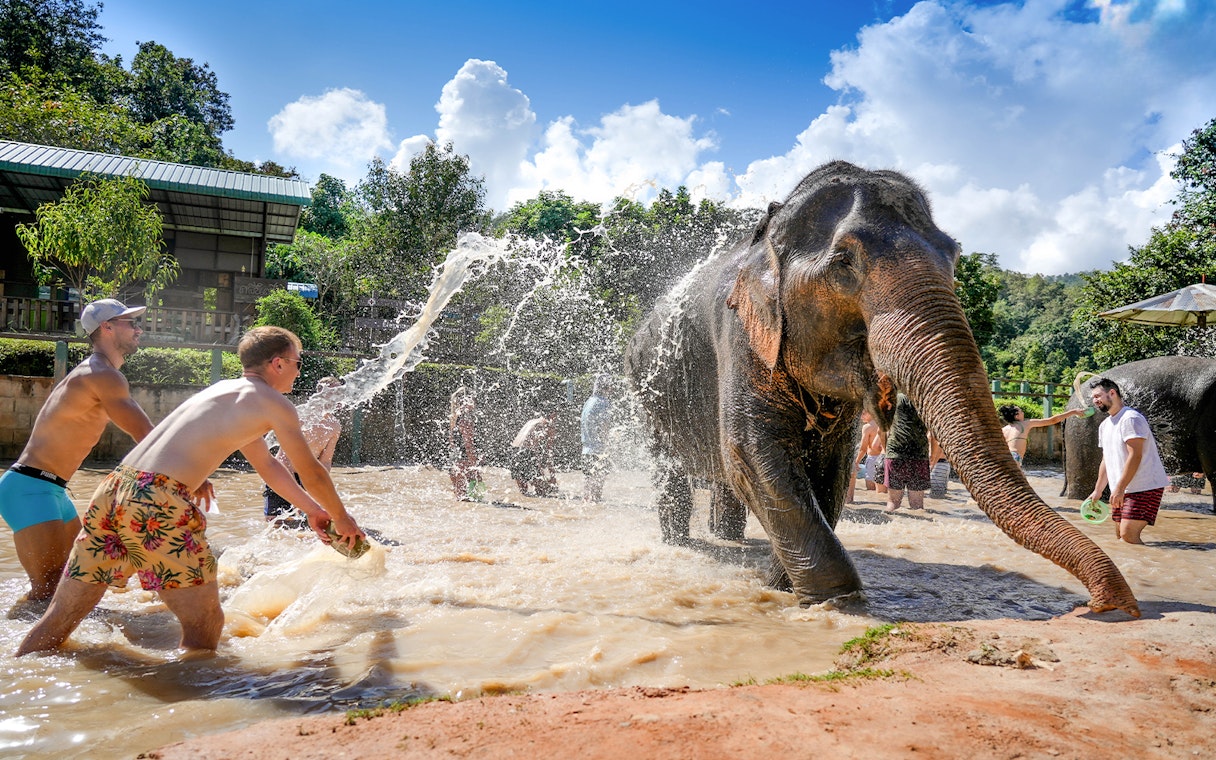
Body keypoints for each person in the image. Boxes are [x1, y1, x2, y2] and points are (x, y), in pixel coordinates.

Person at [16, 326, 366, 655]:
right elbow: (312, 471)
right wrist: (341, 517)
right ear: (277, 364)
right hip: (158, 499)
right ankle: (192, 707)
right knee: (206, 623)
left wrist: (311, 510)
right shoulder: (275, 404)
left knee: (59, 617)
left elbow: (269, 466)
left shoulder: (222, 392)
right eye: (297, 362)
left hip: (114, 489)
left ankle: (19, 676)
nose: (299, 371)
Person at [0, 298, 155, 601]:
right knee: (47, 591)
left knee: (81, 582)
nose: (138, 329)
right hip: (30, 487)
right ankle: (18, 647)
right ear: (106, 327)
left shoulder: (102, 373)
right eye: (130, 323)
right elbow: (145, 434)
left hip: (54, 490)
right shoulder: (101, 374)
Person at [1088, 378, 1169, 545]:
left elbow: (1135, 455)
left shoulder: (1131, 418)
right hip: (1123, 488)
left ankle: (1150, 569)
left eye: (1098, 396)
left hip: (1145, 485)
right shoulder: (1104, 425)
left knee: (1128, 535)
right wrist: (1098, 490)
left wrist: (1119, 488)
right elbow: (1106, 460)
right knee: (1119, 534)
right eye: (1093, 398)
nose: (1095, 401)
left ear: (1112, 393)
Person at [264, 376, 345, 526]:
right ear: (322, 393)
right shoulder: (301, 417)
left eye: (340, 392)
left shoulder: (334, 426)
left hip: (308, 477)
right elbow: (284, 458)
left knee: (308, 526)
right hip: (282, 474)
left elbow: (325, 461)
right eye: (336, 392)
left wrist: (319, 486)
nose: (339, 396)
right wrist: (298, 494)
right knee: (276, 525)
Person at [884, 393, 930, 513]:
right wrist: (933, 456)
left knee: (893, 503)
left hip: (895, 453)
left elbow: (881, 429)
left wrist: (887, 451)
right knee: (917, 506)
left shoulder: (894, 398)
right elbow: (934, 432)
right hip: (919, 455)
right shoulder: (925, 401)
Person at [1000, 404, 1084, 466]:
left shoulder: (1004, 429)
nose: (1023, 413)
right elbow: (1052, 420)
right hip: (1015, 457)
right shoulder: (1026, 423)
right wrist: (1073, 412)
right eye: (1021, 411)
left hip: (1004, 456)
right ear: (1017, 416)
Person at [508, 410, 559, 497]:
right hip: (526, 453)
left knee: (524, 493)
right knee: (543, 492)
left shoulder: (531, 421)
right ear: (553, 415)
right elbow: (548, 452)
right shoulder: (547, 424)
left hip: (512, 451)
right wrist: (552, 477)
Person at [580, 375, 615, 503]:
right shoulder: (603, 403)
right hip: (598, 451)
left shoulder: (588, 401)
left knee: (588, 486)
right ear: (607, 387)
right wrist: (608, 446)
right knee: (596, 495)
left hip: (586, 451)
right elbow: (605, 426)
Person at [447, 386, 483, 501]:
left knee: (461, 498)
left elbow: (451, 440)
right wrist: (473, 459)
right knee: (473, 499)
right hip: (465, 459)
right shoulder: (465, 415)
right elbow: (467, 439)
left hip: (455, 458)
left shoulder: (455, 414)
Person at [847, 410, 884, 503]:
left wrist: (857, 461)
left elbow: (863, 448)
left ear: (872, 413)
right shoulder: (883, 424)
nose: (861, 416)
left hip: (873, 459)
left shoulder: (867, 427)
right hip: (884, 458)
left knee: (871, 490)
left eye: (864, 413)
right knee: (882, 491)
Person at [927, 431, 951, 499]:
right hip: (943, 464)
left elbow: (938, 445)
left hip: (937, 465)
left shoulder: (934, 429)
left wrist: (931, 464)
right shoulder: (944, 429)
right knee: (939, 498)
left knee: (935, 499)